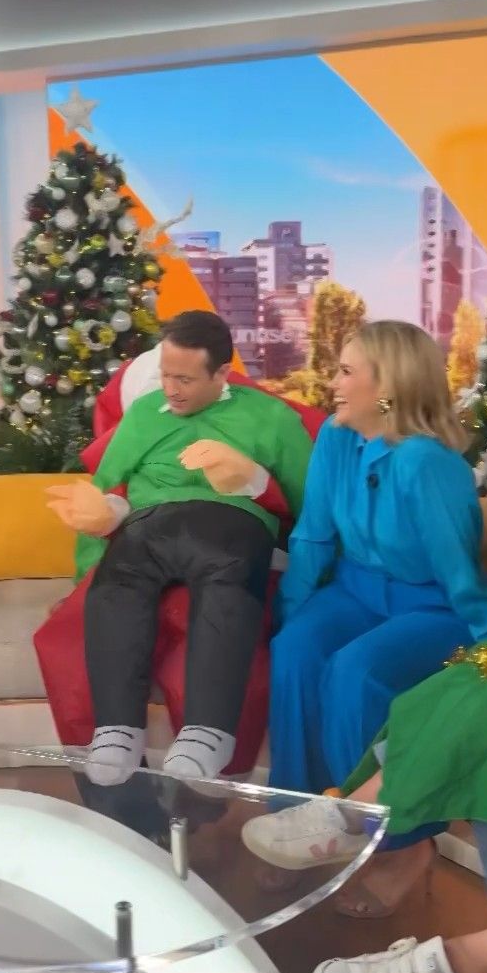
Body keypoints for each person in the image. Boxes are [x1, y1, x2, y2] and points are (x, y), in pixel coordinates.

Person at [266, 319, 487, 917]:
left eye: (347, 372)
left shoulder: (428, 464)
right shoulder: (336, 438)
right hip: (355, 588)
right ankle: (297, 816)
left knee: (355, 671)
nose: (333, 383)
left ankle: (399, 845)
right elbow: (314, 535)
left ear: (389, 388)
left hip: (432, 604)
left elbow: (458, 573)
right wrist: (291, 614)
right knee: (294, 652)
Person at [47, 310, 313, 784]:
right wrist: (89, 553)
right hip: (149, 523)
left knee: (227, 587)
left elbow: (309, 500)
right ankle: (117, 731)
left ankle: (207, 732)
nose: (171, 389)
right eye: (166, 375)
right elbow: (108, 486)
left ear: (221, 373)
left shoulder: (271, 418)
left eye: (185, 379)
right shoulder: (145, 413)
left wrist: (253, 480)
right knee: (116, 583)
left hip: (232, 522)